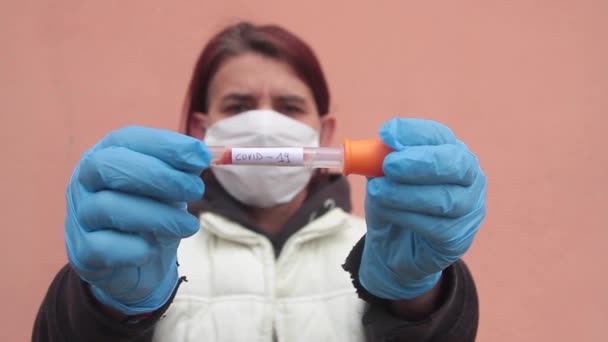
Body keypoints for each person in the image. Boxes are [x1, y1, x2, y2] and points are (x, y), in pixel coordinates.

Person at [33, 22, 487, 342]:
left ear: (324, 134)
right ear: (199, 130)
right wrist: (103, 307)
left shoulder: (379, 250)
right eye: (239, 106)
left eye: (289, 107)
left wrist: (421, 296)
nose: (265, 124)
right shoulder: (151, 249)